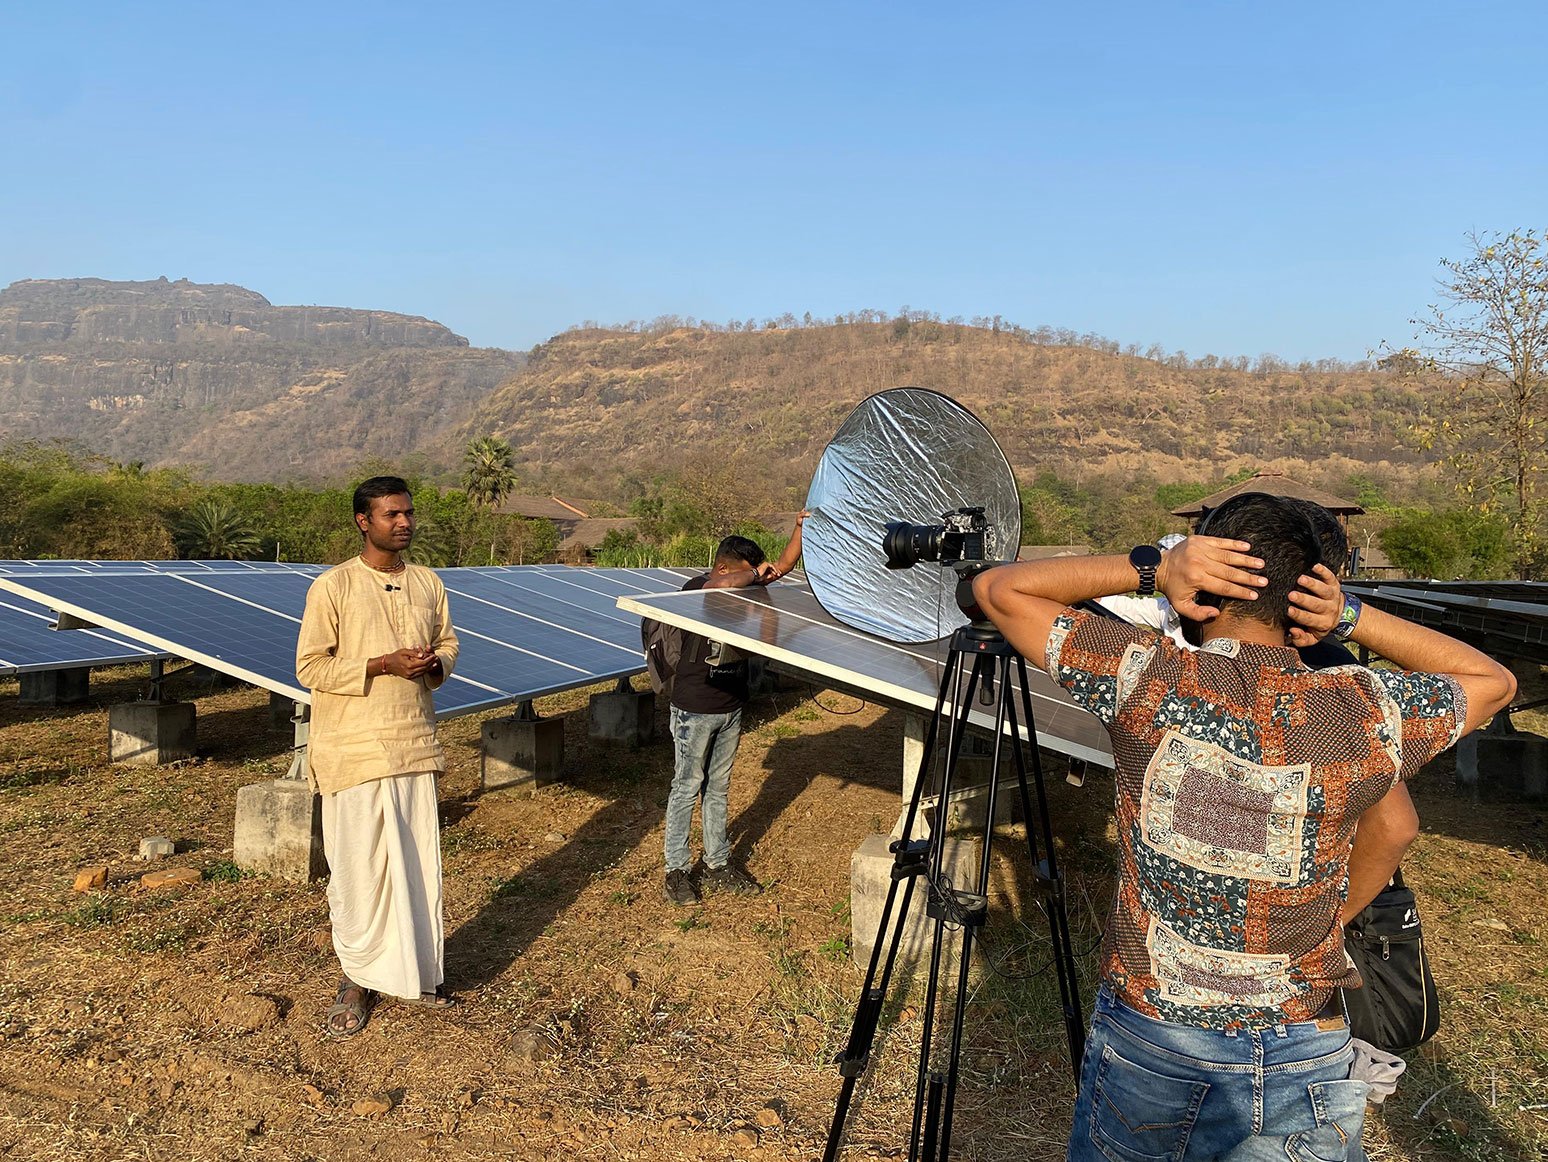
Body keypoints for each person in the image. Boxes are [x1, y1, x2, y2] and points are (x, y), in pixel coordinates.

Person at [972, 492, 1514, 1161]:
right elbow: (1492, 682)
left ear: (1207, 583)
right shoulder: (1363, 710)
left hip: (1157, 1039)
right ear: (1309, 596)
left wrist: (1155, 569)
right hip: (1303, 1041)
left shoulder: (1148, 677)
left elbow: (998, 591)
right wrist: (1350, 616)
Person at [296, 475, 461, 1039]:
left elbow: (448, 643)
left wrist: (434, 664)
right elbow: (310, 666)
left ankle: (415, 972)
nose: (404, 522)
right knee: (360, 870)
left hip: (412, 743)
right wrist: (380, 665)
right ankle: (356, 978)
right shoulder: (333, 586)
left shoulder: (428, 582)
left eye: (408, 512)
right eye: (392, 514)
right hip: (354, 750)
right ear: (363, 522)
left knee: (415, 866)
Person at [663, 515, 805, 906]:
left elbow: (783, 565)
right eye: (746, 572)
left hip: (730, 706)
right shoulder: (698, 588)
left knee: (718, 789)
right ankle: (676, 871)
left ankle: (718, 864)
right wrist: (754, 575)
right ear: (725, 567)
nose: (754, 580)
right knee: (686, 787)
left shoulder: (744, 585)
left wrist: (800, 528)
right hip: (694, 708)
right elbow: (723, 585)